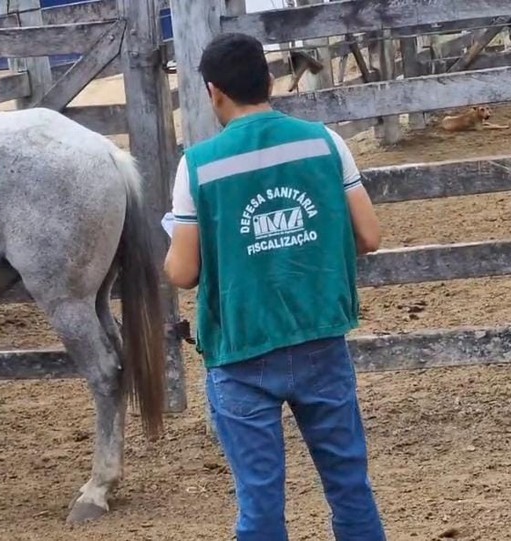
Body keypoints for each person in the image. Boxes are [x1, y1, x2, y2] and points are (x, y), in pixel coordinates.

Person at [163, 33, 386, 541]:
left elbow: (181, 272)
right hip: (319, 337)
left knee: (260, 504)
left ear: (214, 92)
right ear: (268, 82)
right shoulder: (325, 142)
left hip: (242, 350)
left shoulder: (198, 165)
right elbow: (369, 236)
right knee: (350, 488)